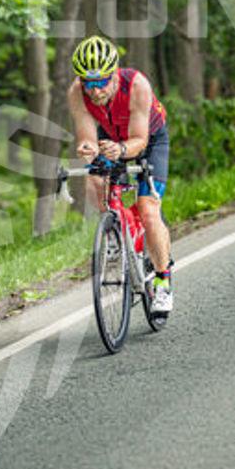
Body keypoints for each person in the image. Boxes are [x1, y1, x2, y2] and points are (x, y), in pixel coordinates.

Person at [67, 35, 173, 313]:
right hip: (110, 137)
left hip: (148, 141)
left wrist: (122, 149)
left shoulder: (137, 85)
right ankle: (115, 233)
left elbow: (139, 139)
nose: (95, 91)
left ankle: (163, 282)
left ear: (114, 74)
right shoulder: (77, 92)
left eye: (101, 82)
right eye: (88, 83)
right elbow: (87, 137)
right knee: (94, 180)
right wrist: (87, 148)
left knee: (148, 210)